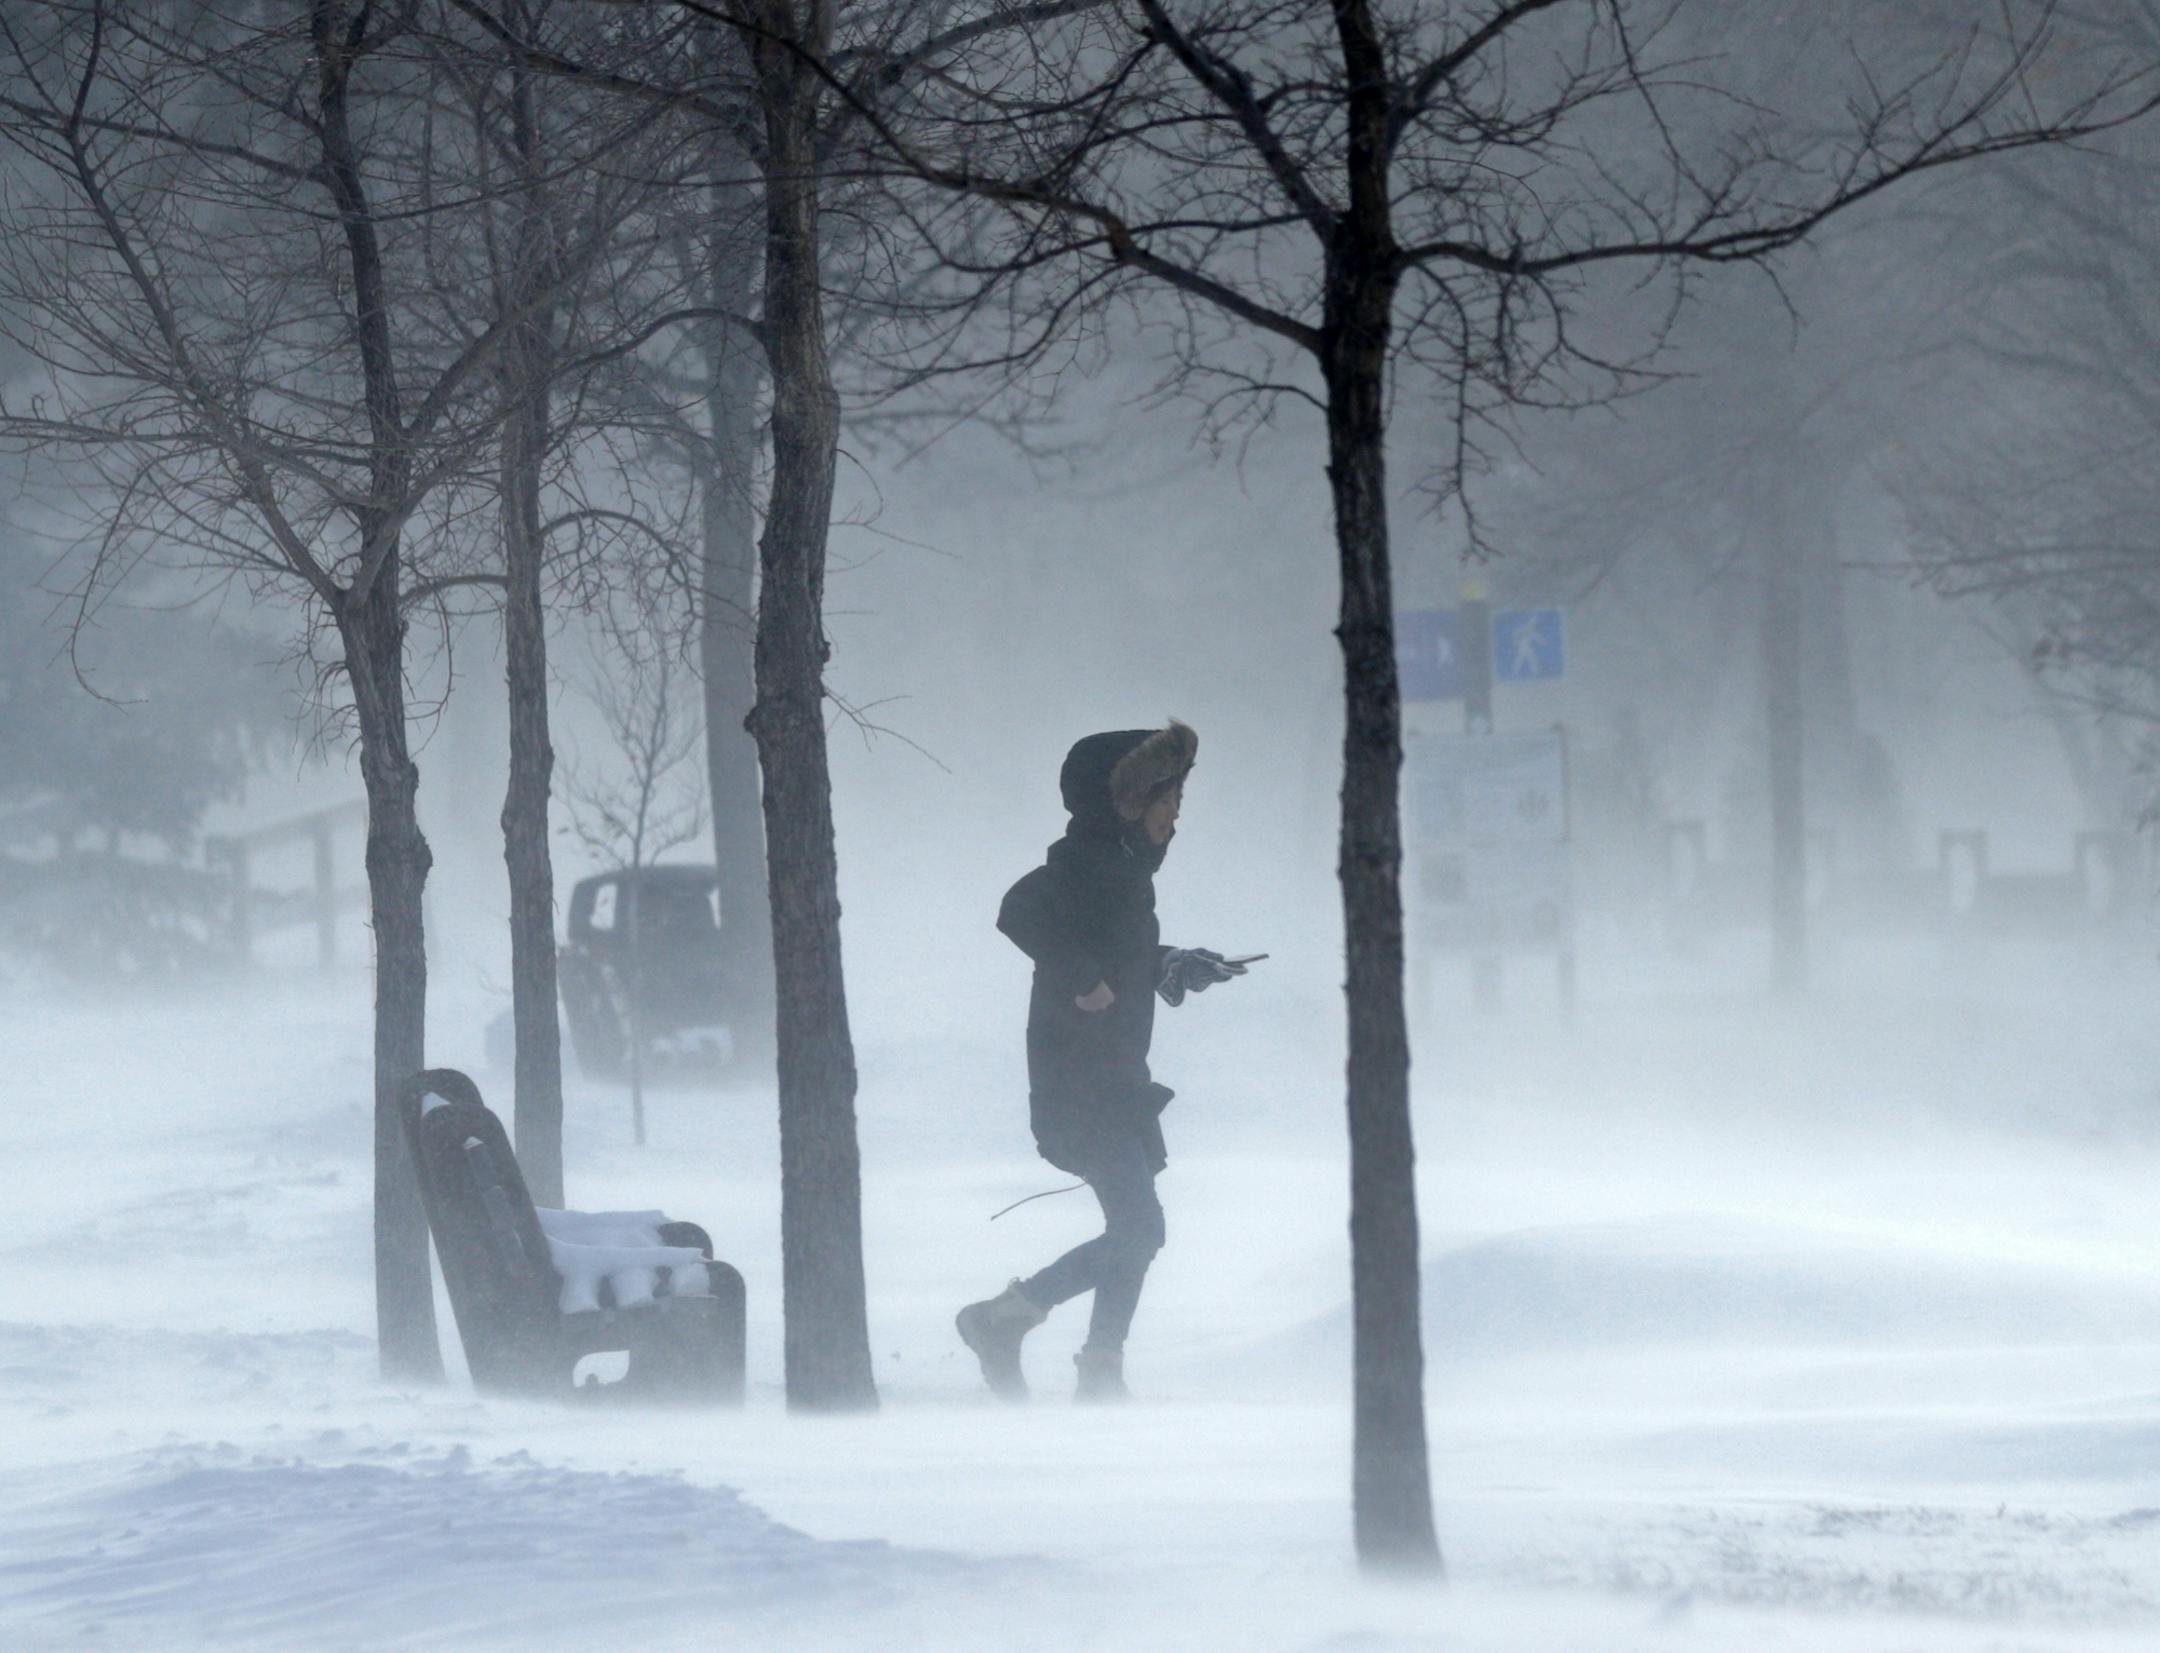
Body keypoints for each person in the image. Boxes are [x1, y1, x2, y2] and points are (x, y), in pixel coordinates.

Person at [956, 720, 1251, 1402]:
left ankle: (1099, 1368)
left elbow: (1120, 954)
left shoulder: (1122, 872)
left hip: (1112, 1083)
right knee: (1142, 1228)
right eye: (1167, 796)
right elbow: (1018, 909)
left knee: (1134, 1230)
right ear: (1127, 800)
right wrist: (1082, 974)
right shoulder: (1087, 860)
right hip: (1077, 1087)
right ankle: (1003, 1320)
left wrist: (1175, 963)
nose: (1177, 811)